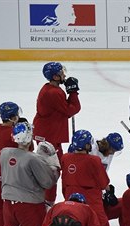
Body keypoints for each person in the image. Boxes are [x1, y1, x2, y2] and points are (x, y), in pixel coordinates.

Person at [0, 121, 59, 226]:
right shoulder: (33, 159)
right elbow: (48, 182)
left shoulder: (4, 152)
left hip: (8, 201)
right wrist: (52, 163)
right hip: (29, 204)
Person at [60, 129, 113, 226]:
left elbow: (63, 184)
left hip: (71, 203)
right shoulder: (94, 161)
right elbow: (104, 183)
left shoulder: (65, 158)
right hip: (92, 204)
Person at [32, 62, 80, 205]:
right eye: (61, 72)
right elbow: (71, 110)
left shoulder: (50, 89)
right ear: (55, 76)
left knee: (51, 169)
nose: (64, 74)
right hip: (49, 137)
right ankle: (47, 203)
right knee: (52, 171)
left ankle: (47, 201)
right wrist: (73, 92)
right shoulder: (54, 92)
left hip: (47, 134)